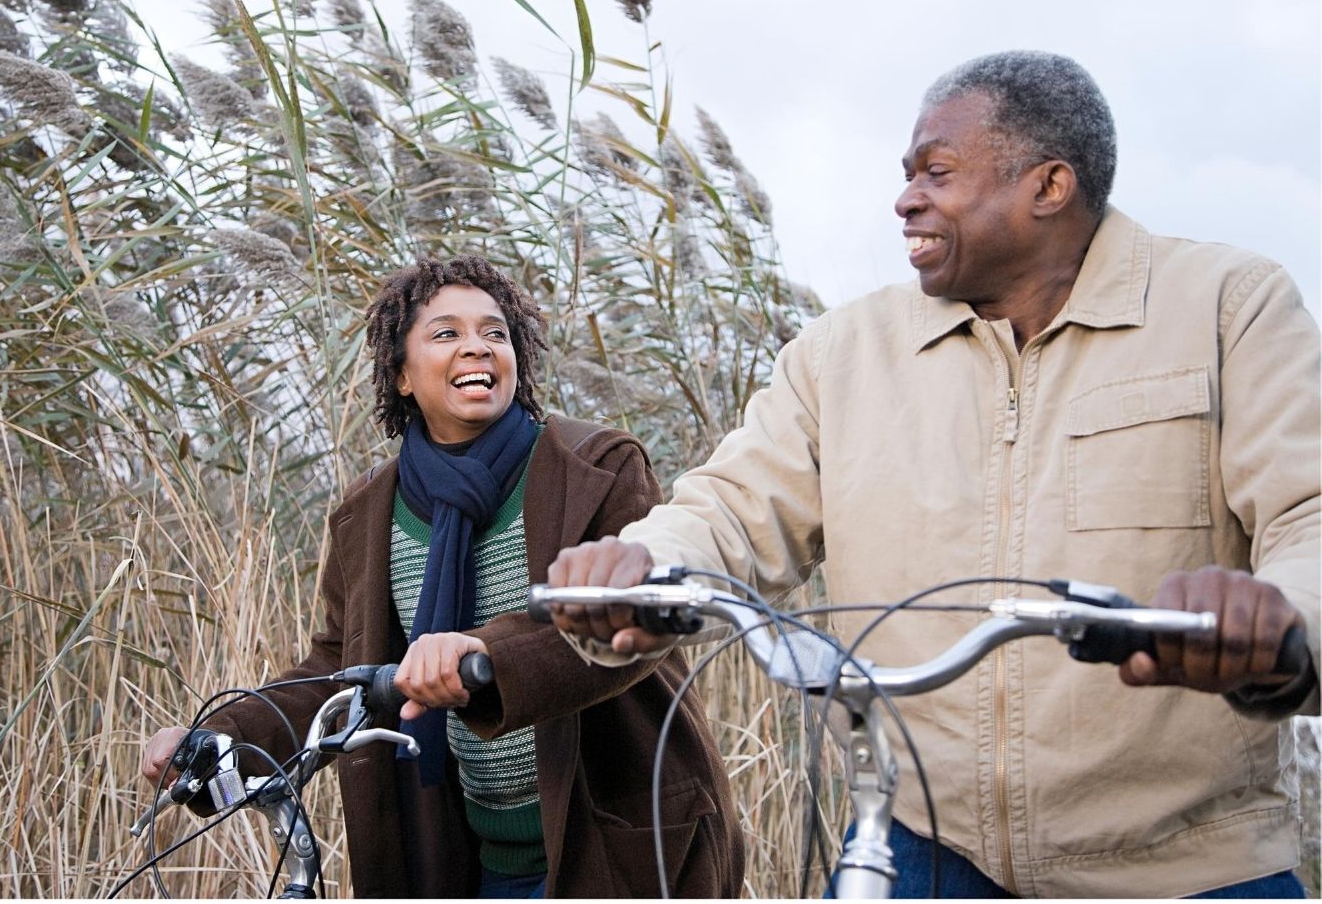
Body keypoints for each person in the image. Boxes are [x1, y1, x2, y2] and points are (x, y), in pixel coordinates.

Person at [545, 51, 1320, 898]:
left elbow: (1308, 513)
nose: (905, 199)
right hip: (917, 847)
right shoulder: (844, 354)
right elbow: (729, 507)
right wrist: (642, 566)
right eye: (906, 175)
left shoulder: (1225, 306)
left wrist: (1280, 626)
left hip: (1188, 867)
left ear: (1048, 186)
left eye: (936, 173)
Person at [140, 254, 744, 898]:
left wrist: (484, 656)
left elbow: (628, 625)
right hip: (468, 858)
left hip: (613, 843)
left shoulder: (595, 467)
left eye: (495, 333)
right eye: (447, 333)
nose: (476, 348)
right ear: (401, 374)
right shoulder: (368, 511)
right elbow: (338, 665)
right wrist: (223, 734)